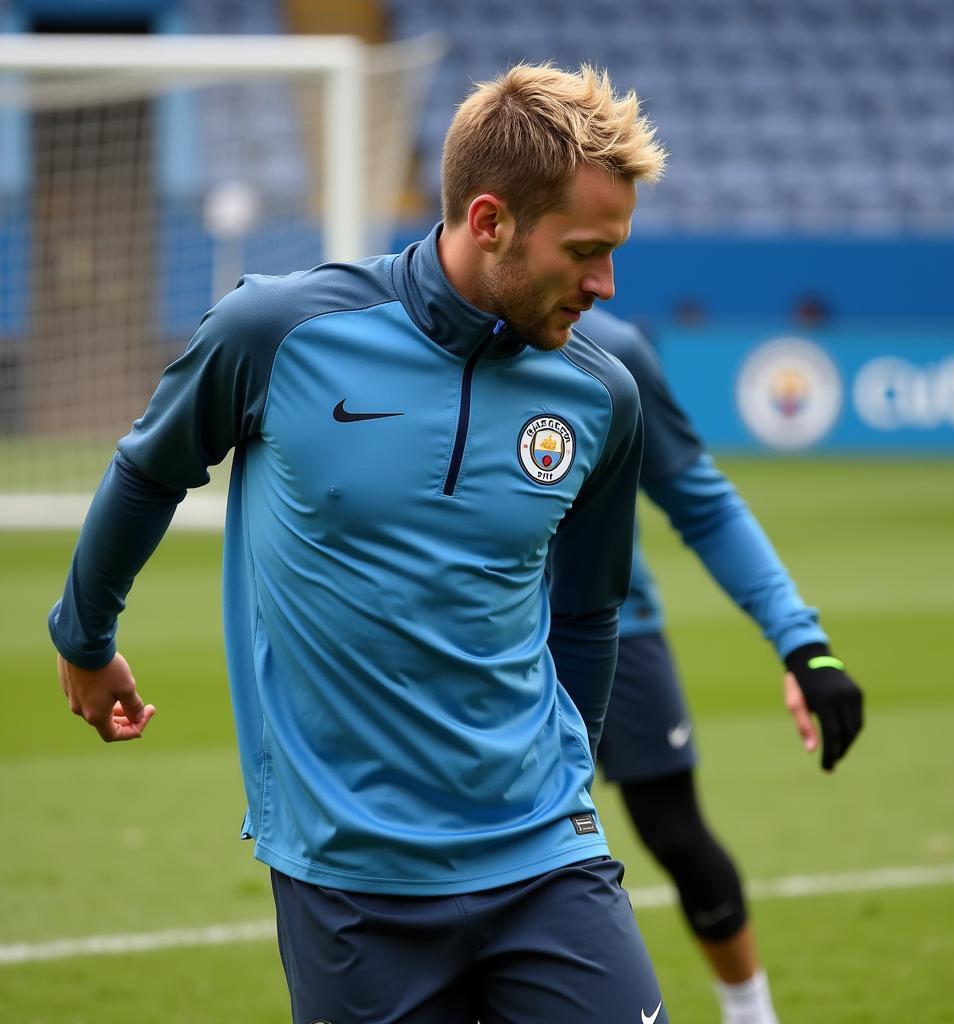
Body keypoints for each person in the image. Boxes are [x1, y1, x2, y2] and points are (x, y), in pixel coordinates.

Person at [49, 64, 670, 1024]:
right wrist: (85, 640)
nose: (606, 284)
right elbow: (147, 470)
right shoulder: (277, 333)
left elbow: (588, 608)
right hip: (352, 874)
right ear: (491, 219)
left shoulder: (602, 396)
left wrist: (568, 776)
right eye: (586, 250)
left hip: (546, 852)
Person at [577, 306, 864, 1024]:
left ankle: (751, 1013)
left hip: (620, 631)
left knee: (675, 832)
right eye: (586, 250)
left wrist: (802, 644)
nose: (602, 282)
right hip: (483, 650)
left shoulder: (613, 350)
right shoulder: (404, 349)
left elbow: (702, 504)